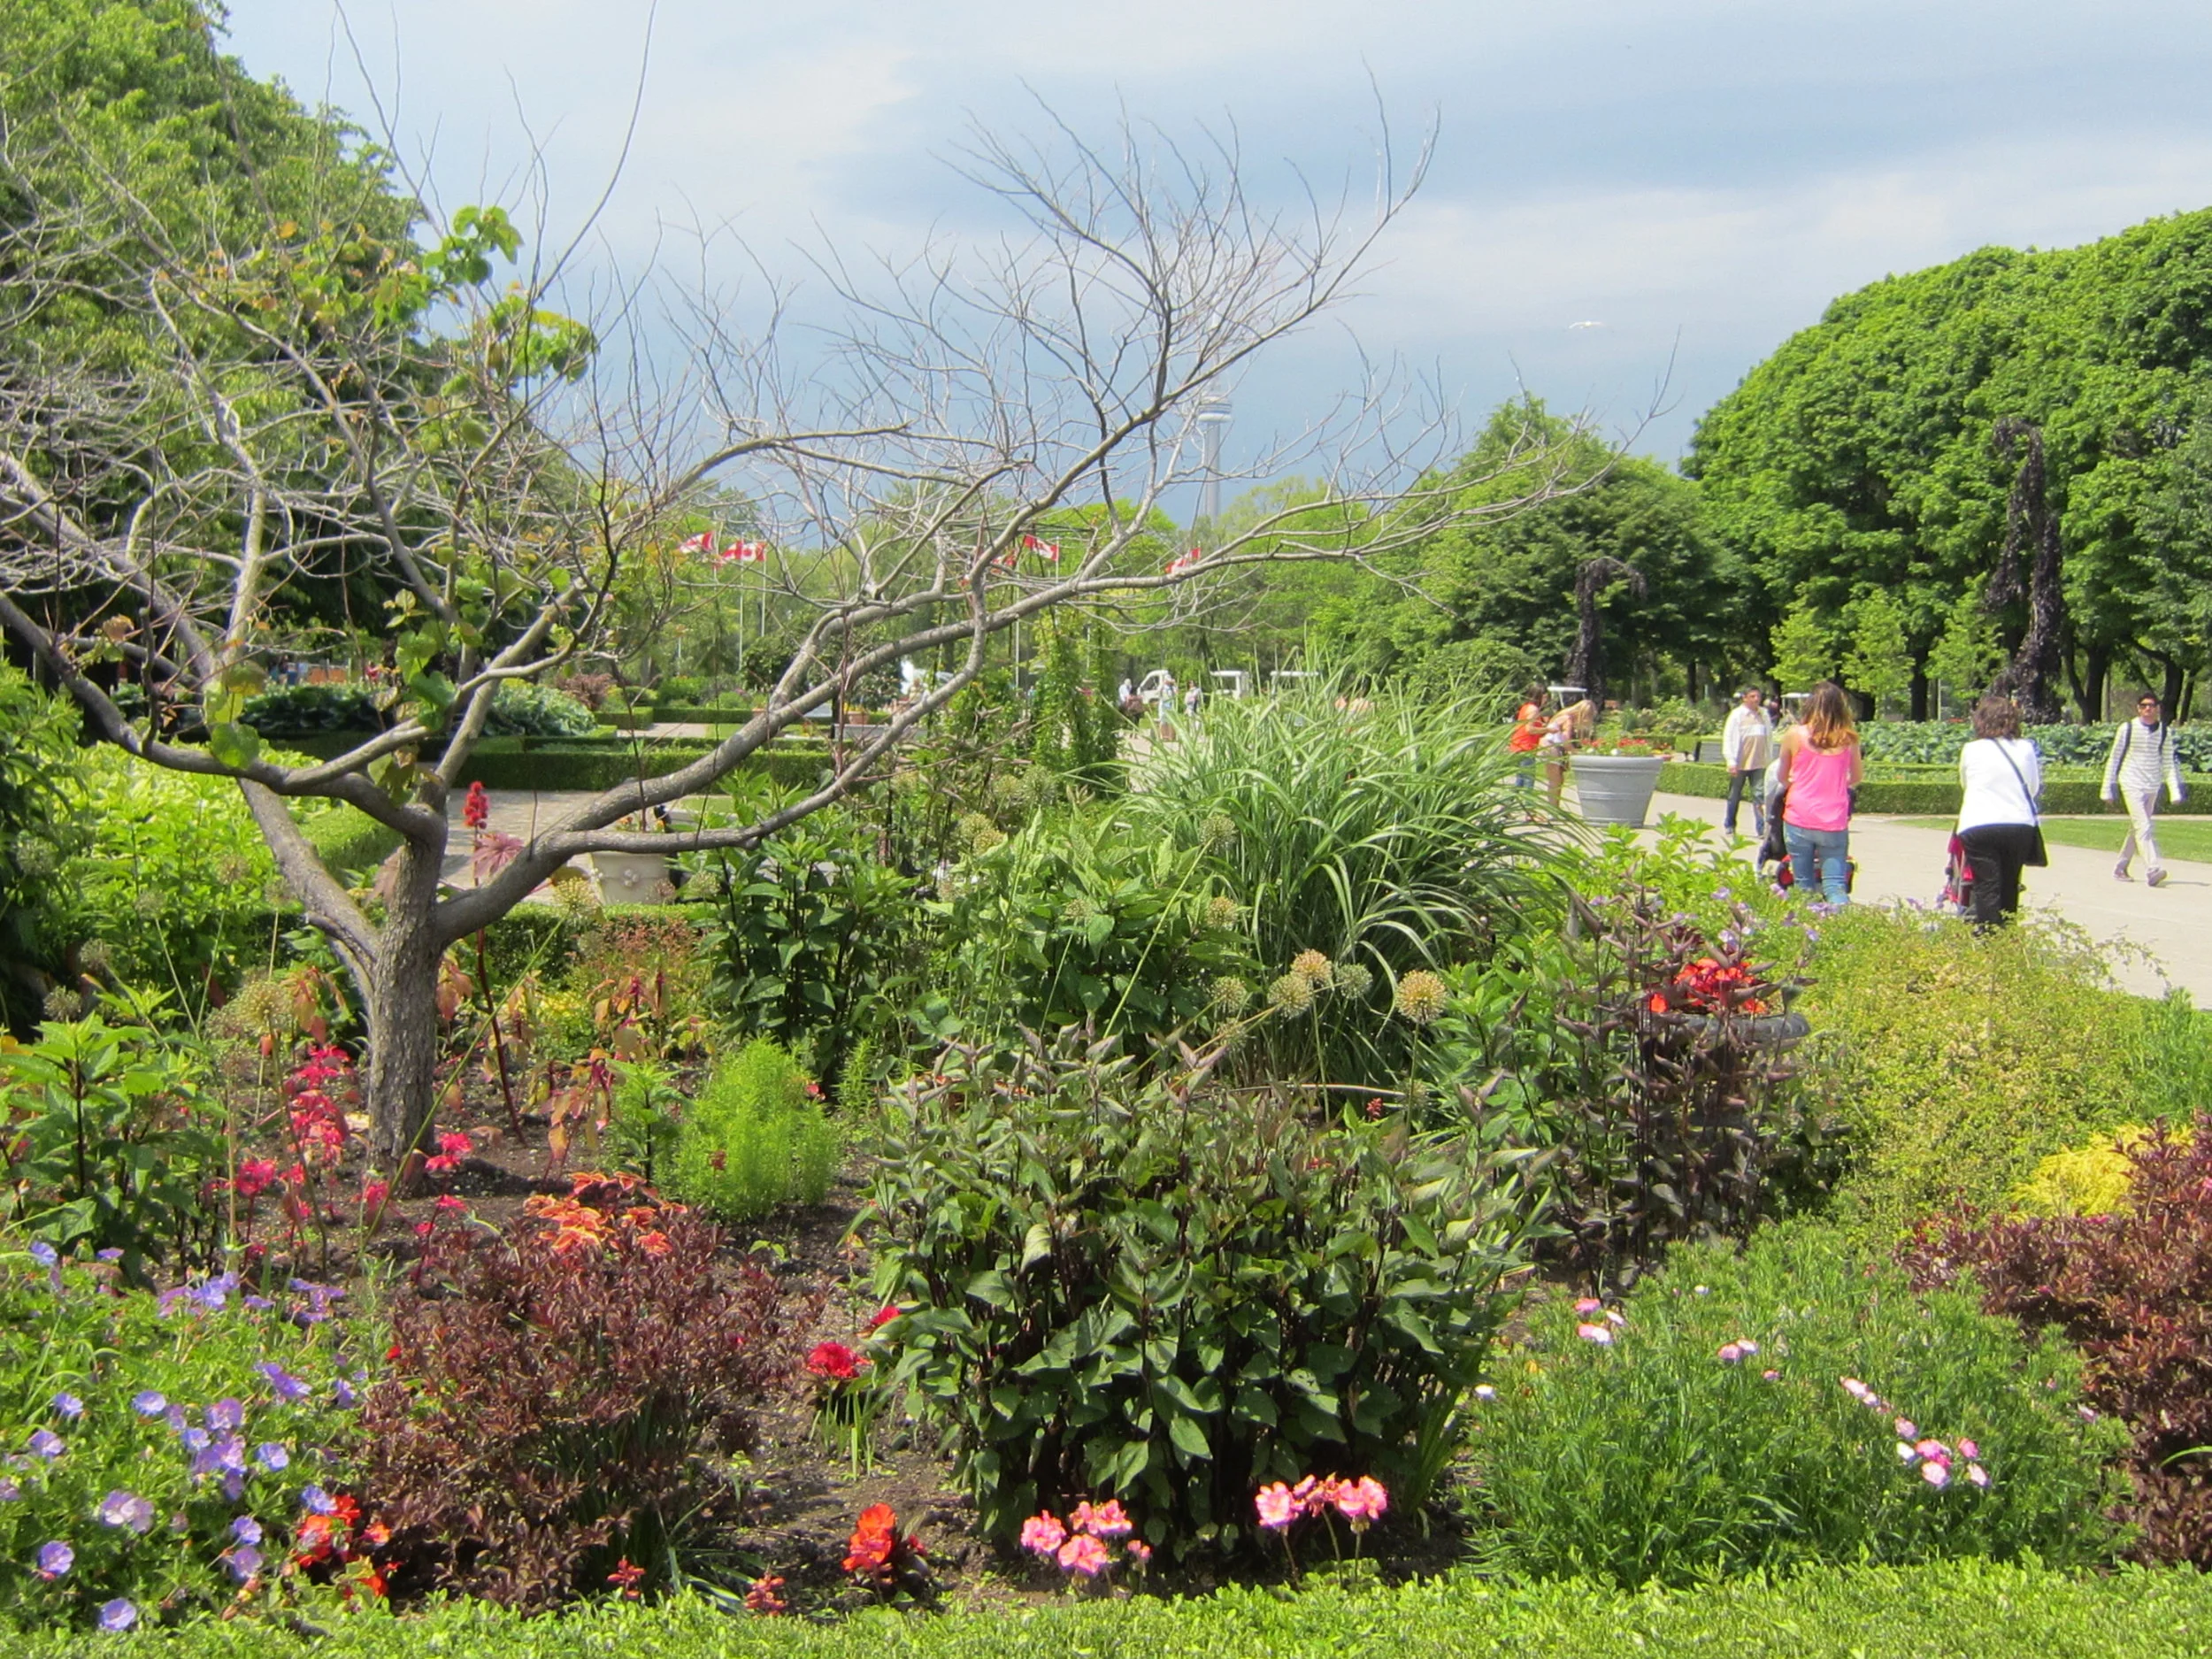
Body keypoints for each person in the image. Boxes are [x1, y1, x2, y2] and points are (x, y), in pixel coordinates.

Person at [1955, 693, 2043, 929]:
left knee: (1986, 886)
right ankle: (2007, 936)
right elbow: (2033, 788)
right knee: (2010, 884)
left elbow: (1966, 785)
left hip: (1979, 823)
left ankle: (1989, 939)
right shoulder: (2025, 748)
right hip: (2018, 823)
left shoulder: (1971, 749)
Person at [1775, 680, 1863, 905]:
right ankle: (1841, 930)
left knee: (1802, 884)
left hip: (1799, 816)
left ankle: (1806, 931)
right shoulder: (1848, 738)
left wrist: (1798, 782)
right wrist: (1837, 784)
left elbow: (1782, 776)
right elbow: (1857, 777)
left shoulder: (1794, 735)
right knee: (1834, 884)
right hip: (1833, 818)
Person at [2102, 690, 2185, 887]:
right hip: (2131, 782)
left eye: (2151, 705)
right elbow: (2114, 758)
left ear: (2157, 709)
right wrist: (2107, 788)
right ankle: (2153, 869)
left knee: (2137, 828)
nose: (2148, 709)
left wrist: (2175, 790)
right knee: (2144, 826)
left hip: (2152, 784)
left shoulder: (2164, 731)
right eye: (2144, 706)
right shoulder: (2127, 728)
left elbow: (2167, 762)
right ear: (2138, 709)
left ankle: (2120, 867)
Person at [1720, 686, 1775, 835]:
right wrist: (1731, 761)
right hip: (1741, 763)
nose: (1756, 699)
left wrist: (1769, 758)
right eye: (1752, 696)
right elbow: (1729, 738)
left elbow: (1769, 738)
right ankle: (1730, 823)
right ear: (1744, 698)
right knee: (1734, 795)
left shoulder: (1763, 714)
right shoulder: (1737, 715)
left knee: (1759, 795)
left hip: (1759, 763)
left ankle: (1761, 828)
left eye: (1758, 696)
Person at [1540, 699, 1594, 808]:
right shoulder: (1567, 719)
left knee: (1557, 780)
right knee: (1555, 781)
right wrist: (1575, 752)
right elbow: (1565, 739)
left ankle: (1555, 808)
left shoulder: (1562, 715)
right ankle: (1553, 809)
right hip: (1551, 747)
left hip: (1548, 746)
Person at [1507, 685, 1548, 787]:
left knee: (1520, 778)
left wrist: (1542, 726)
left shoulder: (1526, 707)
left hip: (1519, 745)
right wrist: (1548, 729)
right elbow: (1530, 729)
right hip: (1526, 747)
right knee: (1529, 779)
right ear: (1539, 696)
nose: (1546, 700)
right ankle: (1527, 803)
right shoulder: (1534, 710)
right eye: (1545, 697)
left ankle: (1510, 801)